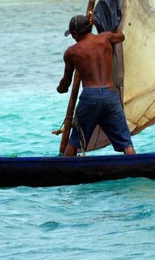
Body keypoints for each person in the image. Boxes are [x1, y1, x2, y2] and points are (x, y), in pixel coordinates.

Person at [57, 13, 135, 156]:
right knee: (126, 143)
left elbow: (66, 83)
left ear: (75, 33)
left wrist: (60, 88)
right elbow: (121, 36)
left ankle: (65, 170)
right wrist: (98, 19)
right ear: (89, 27)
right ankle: (135, 167)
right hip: (110, 95)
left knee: (74, 141)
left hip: (90, 97)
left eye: (72, 35)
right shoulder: (106, 38)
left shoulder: (72, 52)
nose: (73, 38)